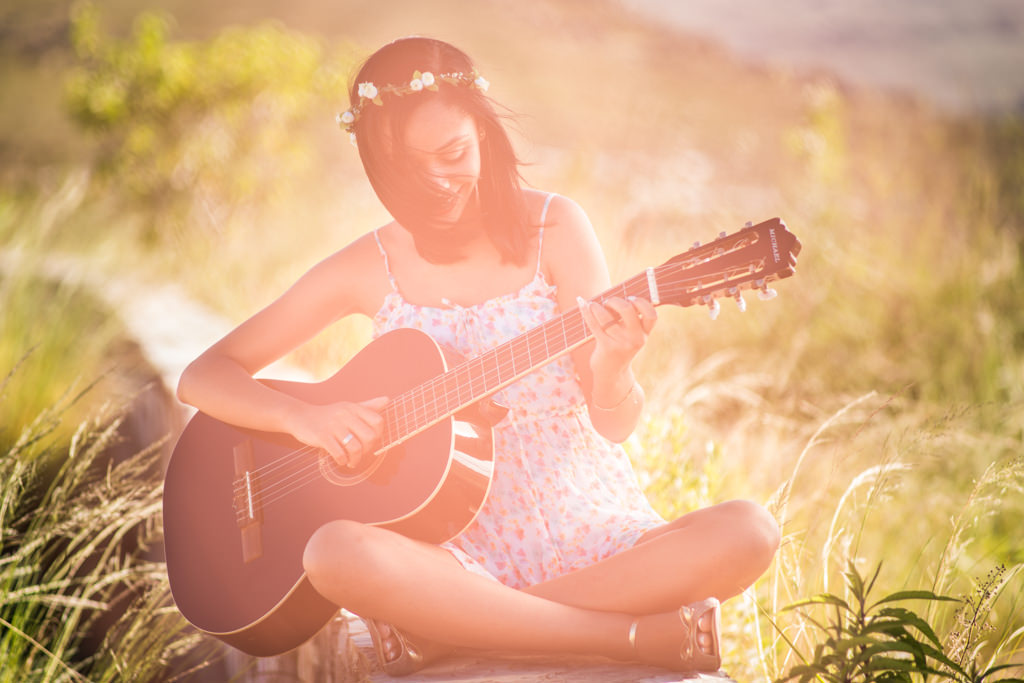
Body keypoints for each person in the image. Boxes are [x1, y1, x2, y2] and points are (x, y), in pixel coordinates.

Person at [176, 36, 780, 676]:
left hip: (589, 529)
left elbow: (615, 424)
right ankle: (612, 638)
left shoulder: (557, 226)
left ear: (484, 136)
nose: (440, 180)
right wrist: (306, 421)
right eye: (413, 168)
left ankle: (464, 631)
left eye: (455, 153)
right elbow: (202, 375)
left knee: (750, 532)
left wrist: (614, 366)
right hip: (451, 552)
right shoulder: (366, 266)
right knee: (332, 553)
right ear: (381, 169)